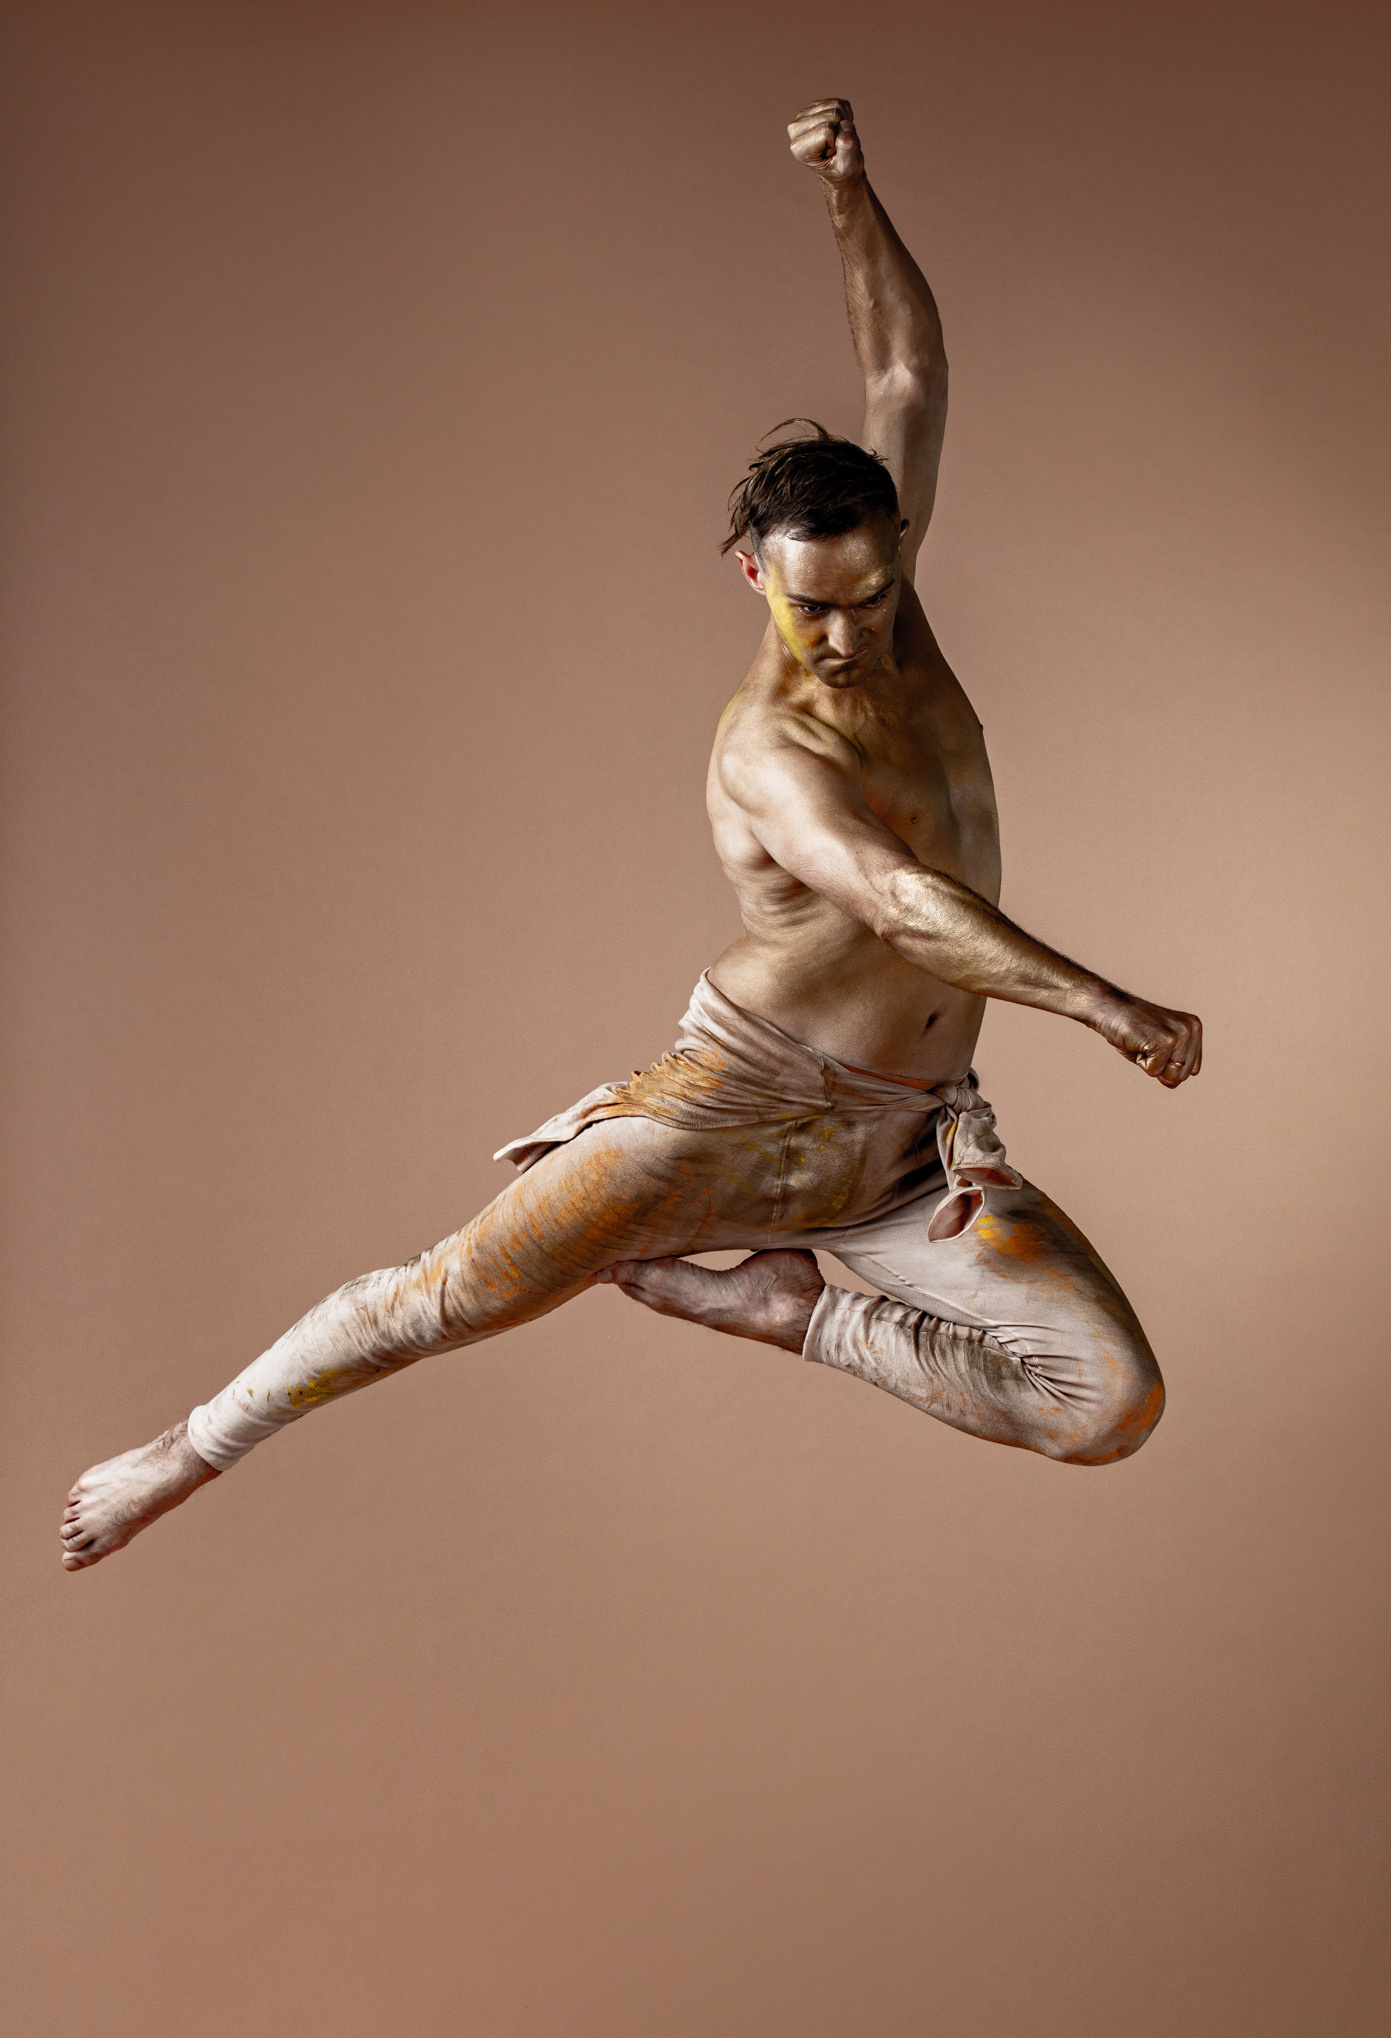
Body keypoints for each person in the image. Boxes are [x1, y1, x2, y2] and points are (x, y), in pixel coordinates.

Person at [60, 97, 1201, 1573]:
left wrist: (848, 194)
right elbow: (902, 901)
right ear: (753, 575)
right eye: (813, 606)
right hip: (733, 1114)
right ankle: (183, 1448)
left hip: (908, 1151)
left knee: (1108, 1403)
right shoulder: (770, 747)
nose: (848, 635)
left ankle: (799, 1314)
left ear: (898, 552)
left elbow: (908, 370)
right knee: (443, 1298)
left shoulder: (888, 601)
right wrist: (1104, 1005)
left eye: (870, 596)